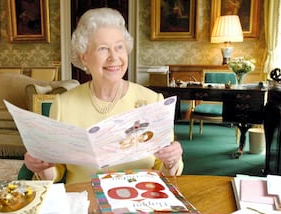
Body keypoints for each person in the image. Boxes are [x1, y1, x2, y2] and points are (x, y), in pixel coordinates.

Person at [24, 7, 184, 184]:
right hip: (85, 202)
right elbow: (57, 170)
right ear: (84, 57)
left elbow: (165, 170)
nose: (114, 57)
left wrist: (171, 161)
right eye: (103, 49)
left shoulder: (152, 101)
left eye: (119, 47)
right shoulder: (63, 105)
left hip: (139, 201)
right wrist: (42, 167)